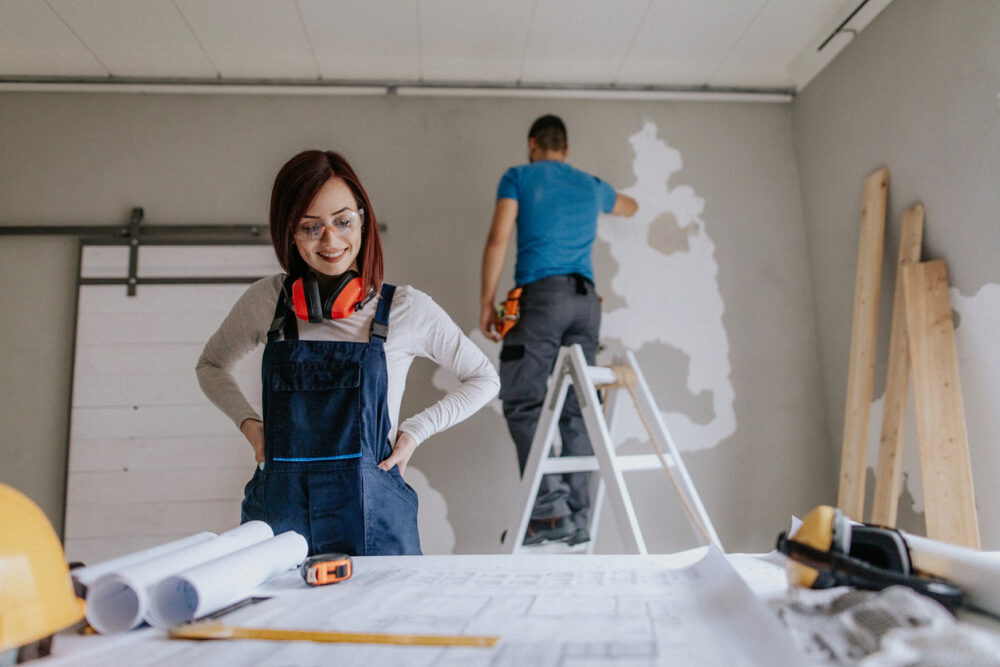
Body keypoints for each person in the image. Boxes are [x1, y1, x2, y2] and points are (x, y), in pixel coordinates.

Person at [198, 150, 499, 557]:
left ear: (363, 220)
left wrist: (414, 433)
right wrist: (250, 425)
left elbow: (485, 378)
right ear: (288, 232)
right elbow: (211, 365)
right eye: (310, 227)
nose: (331, 240)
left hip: (374, 518)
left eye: (343, 221)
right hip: (281, 523)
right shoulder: (267, 302)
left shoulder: (406, 310)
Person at [480, 114, 638, 547]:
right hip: (587, 304)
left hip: (541, 300)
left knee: (522, 400)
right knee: (578, 406)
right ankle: (578, 519)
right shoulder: (590, 184)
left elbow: (498, 238)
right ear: (565, 149)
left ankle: (550, 513)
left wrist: (485, 302)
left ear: (533, 144)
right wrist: (597, 192)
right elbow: (629, 206)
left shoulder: (518, 176)